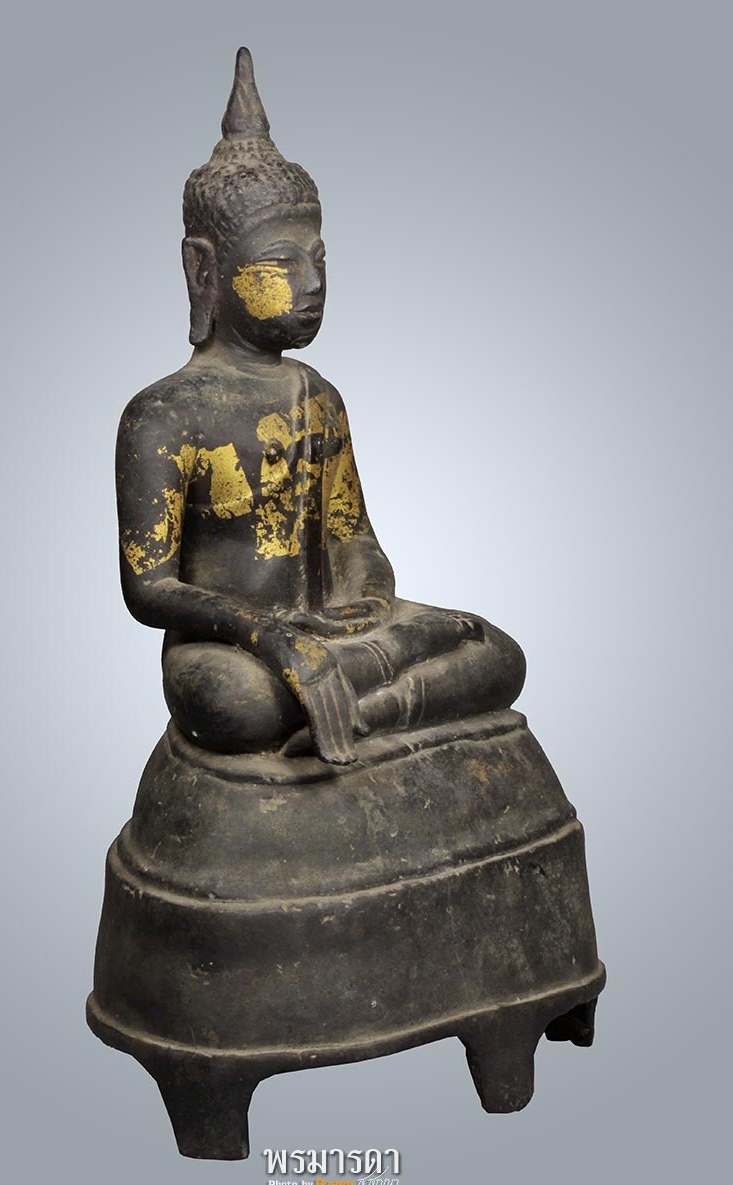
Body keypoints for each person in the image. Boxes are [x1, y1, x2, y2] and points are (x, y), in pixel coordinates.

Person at [116, 48, 525, 765]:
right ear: (204, 268)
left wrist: (370, 599)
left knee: (498, 652)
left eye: (320, 260)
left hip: (337, 630)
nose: (311, 283)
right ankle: (354, 697)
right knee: (239, 706)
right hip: (232, 648)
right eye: (282, 264)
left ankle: (359, 709)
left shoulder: (318, 398)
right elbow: (150, 588)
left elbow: (353, 537)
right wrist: (273, 638)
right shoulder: (164, 415)